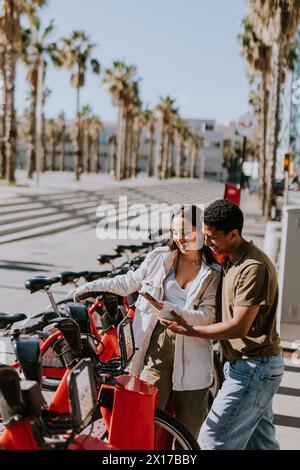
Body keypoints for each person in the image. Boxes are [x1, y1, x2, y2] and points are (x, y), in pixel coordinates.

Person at [73, 205, 221, 438]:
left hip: (193, 358)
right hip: (156, 351)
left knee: (187, 431)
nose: (179, 238)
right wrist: (89, 287)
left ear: (201, 231)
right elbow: (128, 282)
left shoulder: (212, 273)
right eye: (174, 231)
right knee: (143, 423)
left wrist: (169, 310)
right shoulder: (159, 258)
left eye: (185, 231)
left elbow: (208, 316)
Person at [159, 199, 284, 450]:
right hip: (248, 367)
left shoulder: (253, 267)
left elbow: (239, 327)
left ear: (234, 234)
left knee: (211, 442)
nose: (207, 242)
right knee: (261, 445)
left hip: (253, 368)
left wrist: (190, 330)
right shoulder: (230, 258)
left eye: (212, 237)